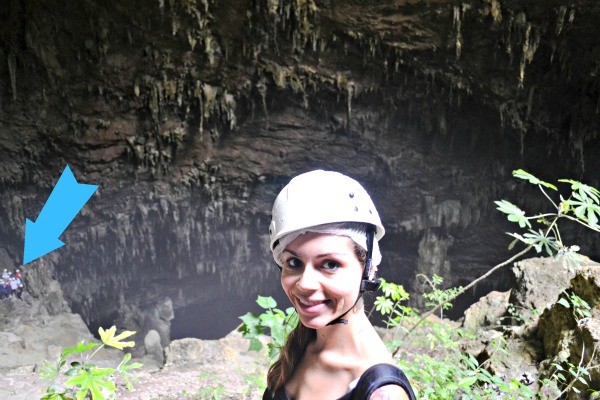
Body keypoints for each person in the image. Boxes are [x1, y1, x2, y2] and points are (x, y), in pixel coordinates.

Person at [263, 170, 416, 400]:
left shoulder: (382, 393)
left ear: (368, 268)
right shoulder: (301, 349)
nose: (305, 284)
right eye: (294, 262)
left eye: (330, 264)